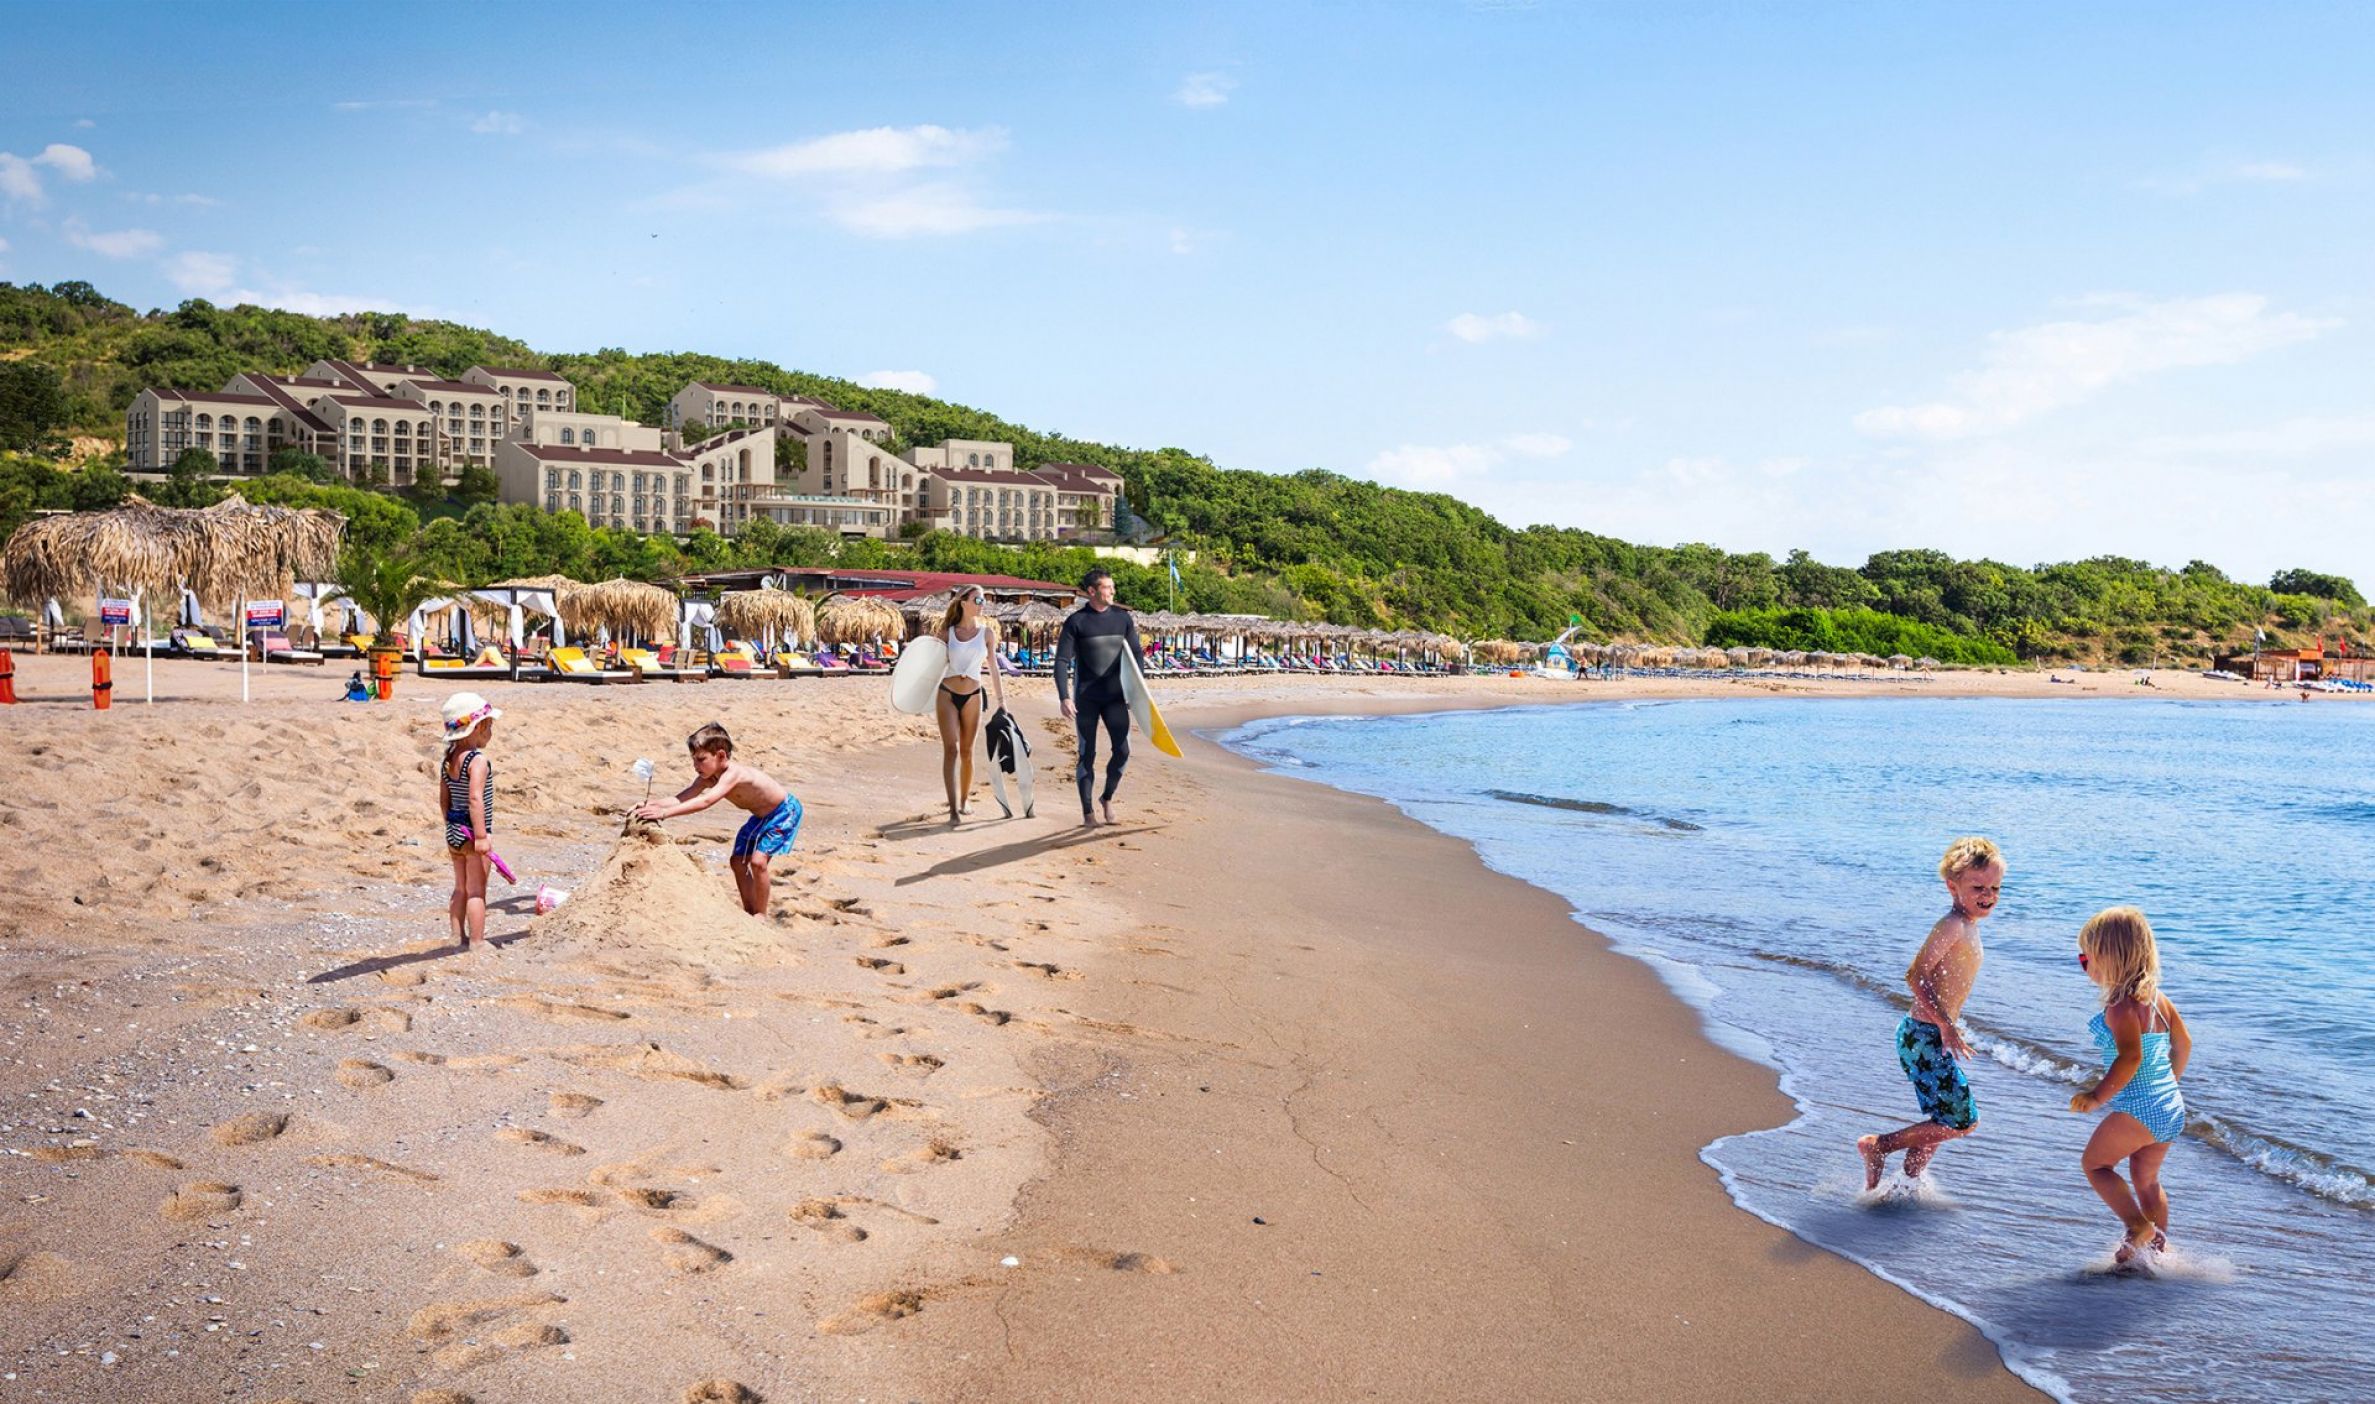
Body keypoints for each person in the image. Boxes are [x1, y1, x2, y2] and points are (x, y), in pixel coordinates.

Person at [1857, 837, 2004, 1189]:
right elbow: (1915, 974)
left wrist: (1945, 1026)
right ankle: (1879, 1146)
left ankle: (1907, 1184)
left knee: (1942, 1119)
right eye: (1978, 887)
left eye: (1996, 888)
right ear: (1953, 886)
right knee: (1962, 1121)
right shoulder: (1953, 924)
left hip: (1928, 1034)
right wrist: (1945, 1024)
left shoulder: (1969, 924)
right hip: (1923, 1036)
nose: (1988, 895)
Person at [2069, 906, 2191, 1264]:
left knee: (2095, 1165)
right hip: (2170, 1107)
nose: (2083, 965)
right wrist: (2168, 1086)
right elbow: (2183, 1045)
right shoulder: (2159, 1000)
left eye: (2086, 958)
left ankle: (2137, 1227)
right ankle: (2155, 1254)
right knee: (2146, 1179)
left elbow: (2130, 1058)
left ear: (2109, 958)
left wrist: (2096, 1096)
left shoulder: (2121, 1008)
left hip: (2140, 1109)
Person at [633, 722, 799, 916]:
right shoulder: (708, 777)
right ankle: (750, 911)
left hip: (784, 812)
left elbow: (706, 801)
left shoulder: (733, 774)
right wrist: (653, 805)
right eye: (693, 760)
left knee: (758, 862)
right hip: (759, 818)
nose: (695, 766)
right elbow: (682, 798)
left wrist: (664, 814)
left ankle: (761, 914)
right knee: (737, 862)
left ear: (720, 756)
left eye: (701, 759)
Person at [1053, 567, 1143, 826]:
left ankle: (1107, 797)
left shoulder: (1123, 619)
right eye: (1107, 587)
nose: (1113, 591)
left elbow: (1136, 655)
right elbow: (1061, 661)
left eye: (1112, 586)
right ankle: (1088, 812)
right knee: (1087, 754)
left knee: (1123, 752)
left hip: (1116, 697)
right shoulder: (1077, 621)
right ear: (1092, 591)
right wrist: (1064, 697)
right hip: (1086, 698)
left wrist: (1137, 689)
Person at [932, 585, 1006, 825]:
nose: (982, 604)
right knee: (951, 750)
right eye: (978, 600)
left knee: (967, 752)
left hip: (973, 695)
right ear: (963, 602)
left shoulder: (987, 633)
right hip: (947, 694)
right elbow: (929, 664)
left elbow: (994, 668)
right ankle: (953, 810)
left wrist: (1002, 701)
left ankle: (964, 801)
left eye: (984, 600)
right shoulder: (947, 633)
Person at [438, 691, 501, 952]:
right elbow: (475, 799)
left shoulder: (449, 759)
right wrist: (482, 836)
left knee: (460, 887)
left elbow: (444, 799)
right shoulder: (477, 761)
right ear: (478, 727)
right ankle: (477, 941)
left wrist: (450, 824)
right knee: (476, 890)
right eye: (490, 726)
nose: (491, 732)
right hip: (473, 832)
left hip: (454, 830)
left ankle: (456, 936)